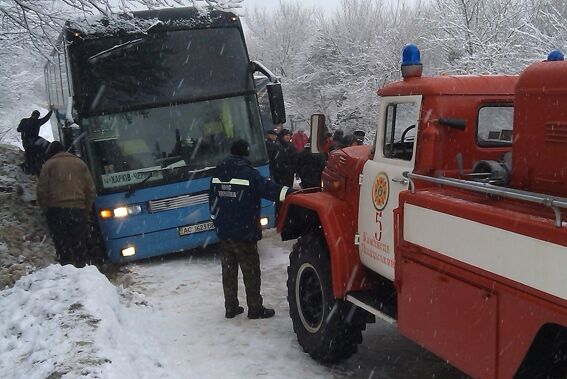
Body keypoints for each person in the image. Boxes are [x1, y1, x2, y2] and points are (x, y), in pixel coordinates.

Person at [209, 139, 294, 319]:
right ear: (245, 152)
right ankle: (255, 308)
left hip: (224, 231)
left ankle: (231, 307)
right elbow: (270, 190)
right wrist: (291, 193)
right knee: (251, 272)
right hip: (244, 231)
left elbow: (212, 199)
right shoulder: (249, 174)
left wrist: (217, 222)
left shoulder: (218, 171)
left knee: (228, 271)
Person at [37, 141, 96, 268]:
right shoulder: (80, 164)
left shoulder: (48, 165)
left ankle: (67, 267)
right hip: (78, 210)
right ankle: (82, 268)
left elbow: (42, 191)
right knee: (79, 242)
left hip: (56, 211)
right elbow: (90, 190)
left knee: (62, 243)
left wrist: (46, 209)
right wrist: (86, 209)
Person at [17, 109, 53, 175]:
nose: (35, 117)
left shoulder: (38, 122)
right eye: (34, 115)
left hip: (35, 139)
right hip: (27, 140)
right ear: (32, 115)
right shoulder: (25, 121)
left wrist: (51, 111)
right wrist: (25, 128)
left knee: (47, 145)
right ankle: (30, 167)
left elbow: (46, 118)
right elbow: (18, 129)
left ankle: (42, 161)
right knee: (31, 154)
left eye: (37, 116)